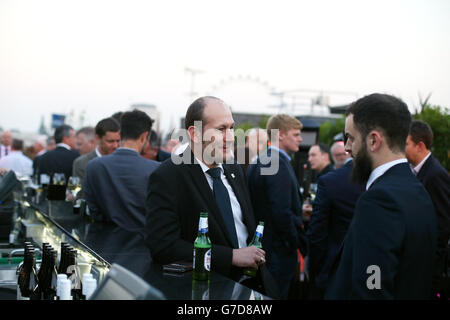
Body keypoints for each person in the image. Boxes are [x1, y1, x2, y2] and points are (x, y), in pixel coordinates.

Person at [325, 93, 437, 300]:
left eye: (349, 137)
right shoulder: (417, 189)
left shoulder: (379, 200)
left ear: (374, 140)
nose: (347, 147)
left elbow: (372, 288)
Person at [145, 96, 266, 283]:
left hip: (254, 284)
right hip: (208, 287)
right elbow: (163, 246)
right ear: (194, 134)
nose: (230, 137)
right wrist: (231, 256)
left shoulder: (235, 169)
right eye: (221, 129)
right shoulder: (168, 176)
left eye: (231, 128)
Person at [247, 114, 308, 299]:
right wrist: (294, 242)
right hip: (277, 252)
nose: (300, 139)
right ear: (280, 134)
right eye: (296, 134)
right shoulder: (277, 163)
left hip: (264, 248)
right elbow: (280, 211)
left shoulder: (261, 159)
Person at [84, 110, 159, 234]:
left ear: (120, 133)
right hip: (143, 246)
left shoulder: (94, 166)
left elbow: (93, 210)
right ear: (144, 136)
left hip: (103, 245)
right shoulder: (157, 169)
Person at [306, 157, 364, 299]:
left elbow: (316, 235)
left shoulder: (331, 181)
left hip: (333, 274)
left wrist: (315, 269)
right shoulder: (391, 180)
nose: (310, 159)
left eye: (314, 155)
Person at [405, 120, 450, 299]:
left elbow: (444, 222)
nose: (401, 148)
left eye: (405, 144)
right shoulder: (416, 170)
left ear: (420, 146)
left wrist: (429, 260)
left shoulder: (435, 174)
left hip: (428, 265)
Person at [72, 117, 120, 182]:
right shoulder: (82, 163)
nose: (115, 145)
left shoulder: (122, 162)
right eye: (110, 141)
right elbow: (80, 191)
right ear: (98, 138)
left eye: (118, 141)